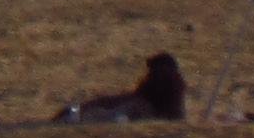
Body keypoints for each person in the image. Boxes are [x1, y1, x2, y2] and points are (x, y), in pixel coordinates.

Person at [56, 52, 190, 124]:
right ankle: (77, 114)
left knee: (123, 108)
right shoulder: (175, 82)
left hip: (152, 114)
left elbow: (140, 96)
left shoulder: (162, 78)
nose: (148, 73)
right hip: (161, 115)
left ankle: (77, 116)